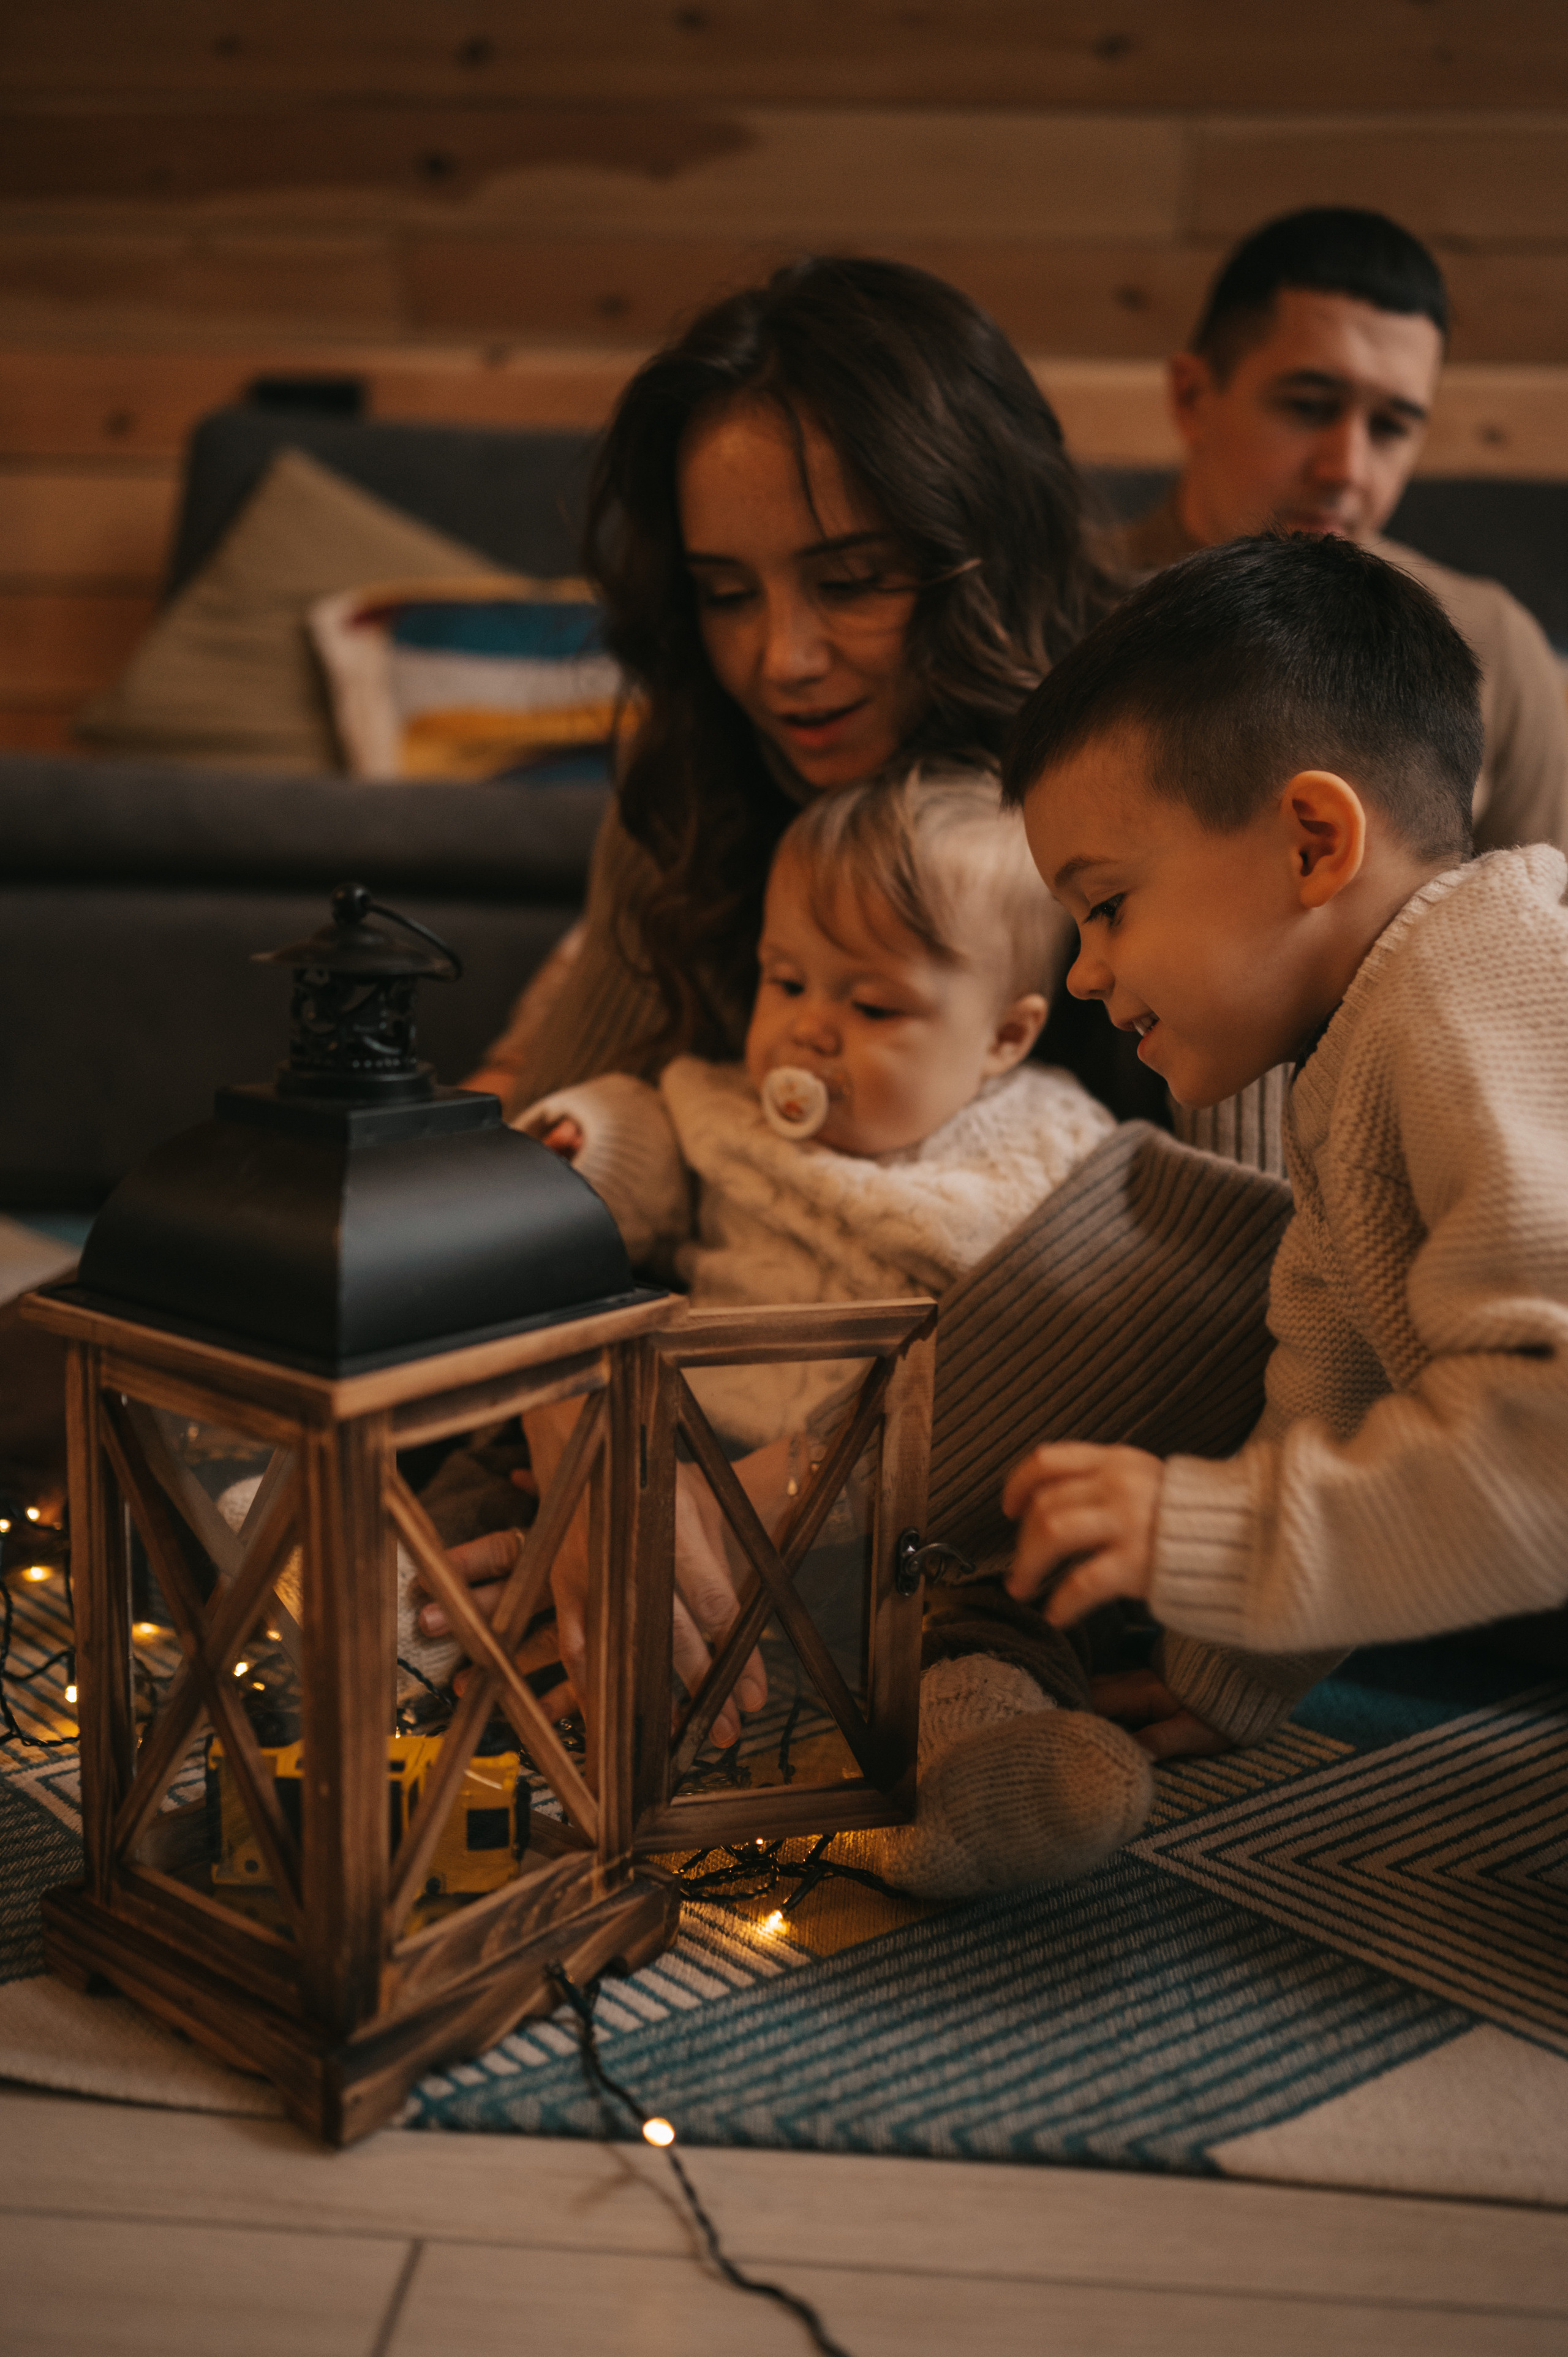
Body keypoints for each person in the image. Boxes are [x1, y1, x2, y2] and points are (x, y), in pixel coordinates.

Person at [424, 254, 1297, 1775]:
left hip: (1039, 1459)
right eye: (722, 593)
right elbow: (543, 1181)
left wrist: (756, 1498)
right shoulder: (690, 789)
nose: (781, 659)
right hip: (714, 1380)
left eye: (850, 578)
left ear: (981, 553)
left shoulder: (1164, 753)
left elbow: (1246, 1256)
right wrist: (602, 1442)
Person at [494, 773, 1149, 1899]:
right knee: (524, 1515)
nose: (807, 1024)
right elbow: (647, 1150)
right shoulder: (721, 1103)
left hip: (919, 1525)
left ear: (1002, 1035)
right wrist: (581, 1139)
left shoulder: (1055, 1154)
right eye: (785, 979)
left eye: (874, 1006)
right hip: (692, 1477)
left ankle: (972, 1786)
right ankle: (411, 1640)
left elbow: (1078, 1318)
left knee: (989, 1630)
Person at [1000, 532, 1568, 1699]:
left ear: (1315, 843)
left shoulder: (1480, 975)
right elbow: (1328, 1389)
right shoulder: (1349, 1072)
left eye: (1106, 906)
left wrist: (1199, 1530)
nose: (1083, 975)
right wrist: (1223, 1676)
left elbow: (1551, 1438)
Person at [1118, 207, 1568, 1174]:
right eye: (1308, 405)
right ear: (1193, 397)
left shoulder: (1488, 640)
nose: (1347, 468)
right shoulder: (1070, 620)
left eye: (1392, 425)